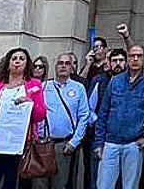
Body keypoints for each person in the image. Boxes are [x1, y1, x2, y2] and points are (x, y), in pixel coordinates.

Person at [0, 48, 49, 189]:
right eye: (14, 58)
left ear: (27, 64)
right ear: (8, 63)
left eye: (22, 59)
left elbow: (40, 115)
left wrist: (30, 104)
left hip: (19, 148)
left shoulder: (34, 85)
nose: (17, 61)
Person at [95, 45, 144, 189]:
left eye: (139, 56)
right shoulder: (115, 81)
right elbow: (103, 112)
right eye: (132, 55)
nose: (135, 59)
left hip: (134, 144)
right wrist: (99, 142)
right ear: (128, 58)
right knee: (103, 185)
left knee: (130, 186)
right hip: (110, 142)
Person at [35, 53, 93, 189]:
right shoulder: (43, 87)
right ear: (55, 66)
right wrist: (36, 137)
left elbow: (84, 116)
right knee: (39, 184)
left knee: (59, 184)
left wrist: (74, 142)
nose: (63, 66)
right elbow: (35, 113)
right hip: (43, 143)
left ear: (72, 67)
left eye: (67, 63)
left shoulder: (78, 88)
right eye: (60, 63)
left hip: (64, 144)